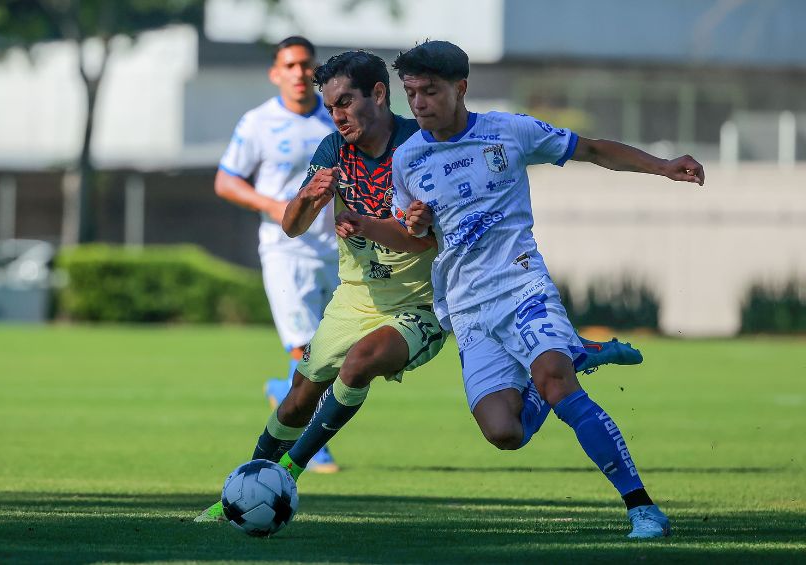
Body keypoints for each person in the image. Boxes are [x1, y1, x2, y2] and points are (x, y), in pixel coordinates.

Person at [196, 50, 641, 523]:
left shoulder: (421, 143)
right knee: (298, 396)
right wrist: (306, 198)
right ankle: (241, 490)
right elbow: (291, 227)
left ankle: (289, 471)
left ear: (380, 94)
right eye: (330, 107)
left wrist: (416, 223)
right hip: (358, 296)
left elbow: (433, 232)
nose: (337, 115)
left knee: (360, 362)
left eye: (345, 101)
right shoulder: (332, 150)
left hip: (423, 304)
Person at [347, 40, 706, 539]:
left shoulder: (509, 131)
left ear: (461, 88)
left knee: (557, 383)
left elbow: (595, 150)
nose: (420, 103)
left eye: (430, 91)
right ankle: (573, 355)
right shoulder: (408, 159)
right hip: (467, 308)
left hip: (521, 284)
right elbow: (414, 237)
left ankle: (642, 508)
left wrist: (662, 166)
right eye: (411, 93)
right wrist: (375, 224)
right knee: (504, 433)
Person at [213, 36, 338, 473]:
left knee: (337, 352)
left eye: (306, 65)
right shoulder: (258, 122)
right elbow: (226, 181)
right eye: (290, 65)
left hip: (338, 251)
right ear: (275, 73)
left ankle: (279, 389)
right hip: (286, 252)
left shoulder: (337, 119)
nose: (299, 73)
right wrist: (275, 206)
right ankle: (311, 442)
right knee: (306, 352)